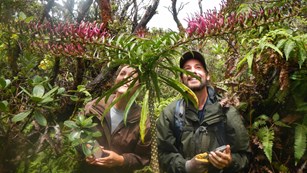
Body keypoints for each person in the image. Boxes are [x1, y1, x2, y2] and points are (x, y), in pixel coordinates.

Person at [156, 50, 250, 173]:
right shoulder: (170, 113)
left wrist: (229, 161)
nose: (193, 71)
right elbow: (162, 154)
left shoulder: (226, 111)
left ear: (207, 75)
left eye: (198, 67)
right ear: (181, 79)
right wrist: (186, 166)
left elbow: (244, 155)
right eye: (187, 69)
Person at [78, 65, 151, 173]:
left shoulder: (143, 120)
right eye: (122, 74)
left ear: (139, 86)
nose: (125, 78)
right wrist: (87, 150)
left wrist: (121, 160)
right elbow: (77, 133)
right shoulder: (94, 106)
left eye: (132, 77)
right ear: (115, 79)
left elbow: (144, 157)